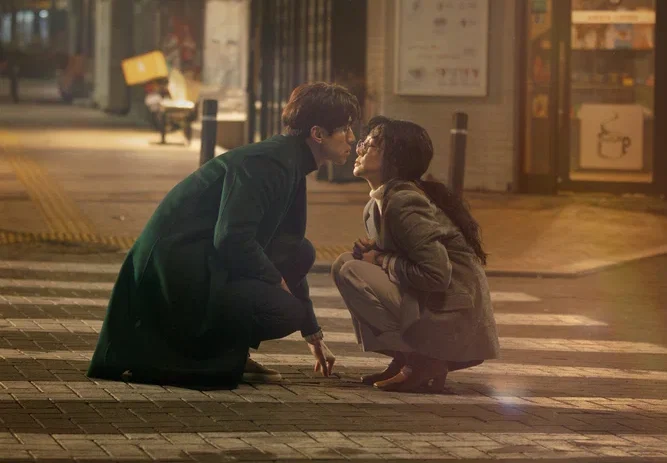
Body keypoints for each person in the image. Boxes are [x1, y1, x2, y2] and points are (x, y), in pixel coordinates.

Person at [88, 82, 360, 388]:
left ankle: (228, 354)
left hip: (198, 264)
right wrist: (276, 280)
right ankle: (202, 356)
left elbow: (287, 246)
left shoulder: (286, 162)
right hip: (174, 278)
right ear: (318, 134)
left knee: (300, 253)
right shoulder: (268, 164)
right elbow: (232, 238)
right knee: (286, 311)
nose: (352, 138)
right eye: (344, 129)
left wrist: (313, 334)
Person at [332, 116, 500, 393]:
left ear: (394, 159)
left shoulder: (404, 201)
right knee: (346, 263)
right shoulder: (378, 204)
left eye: (369, 144)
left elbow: (436, 275)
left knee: (352, 270)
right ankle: (406, 359)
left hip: (454, 315)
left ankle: (424, 361)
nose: (359, 149)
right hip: (434, 304)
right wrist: (376, 252)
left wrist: (381, 259)